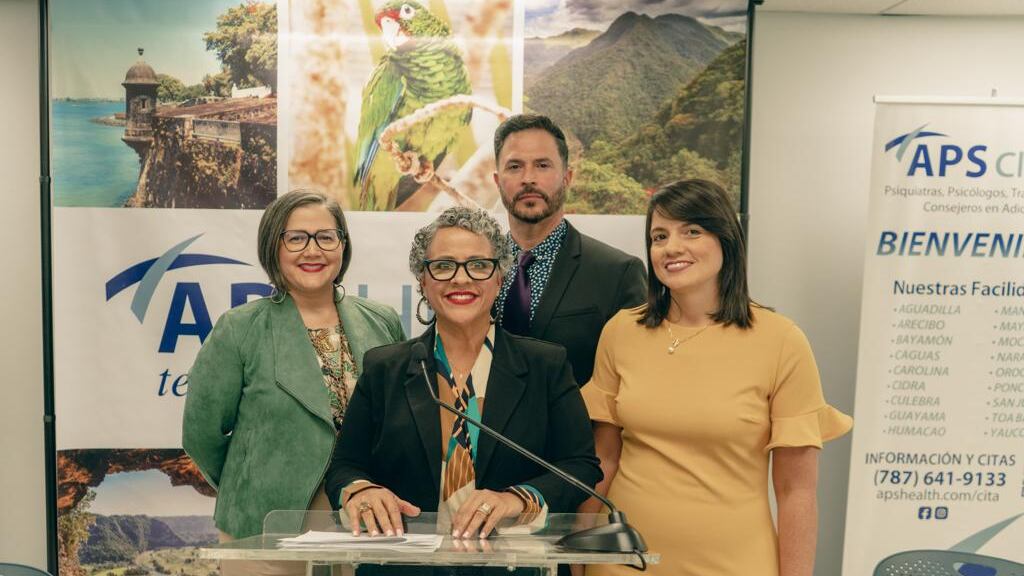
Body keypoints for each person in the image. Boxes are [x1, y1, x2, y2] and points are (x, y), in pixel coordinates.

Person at [579, 179, 853, 576]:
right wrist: (577, 559)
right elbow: (603, 459)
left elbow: (796, 492)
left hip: (734, 563)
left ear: (726, 239)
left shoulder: (781, 340)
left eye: (692, 230)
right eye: (659, 236)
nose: (672, 247)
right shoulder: (621, 331)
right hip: (626, 561)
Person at [326, 207, 601, 574]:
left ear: (500, 276)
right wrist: (361, 491)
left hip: (511, 566)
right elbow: (345, 466)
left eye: (478, 265)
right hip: (403, 567)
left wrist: (516, 499)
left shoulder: (545, 366)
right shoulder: (384, 368)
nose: (461, 279)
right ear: (422, 280)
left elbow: (580, 467)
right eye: (443, 266)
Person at [182, 189, 405, 576]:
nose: (312, 251)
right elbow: (201, 435)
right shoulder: (240, 329)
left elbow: (400, 420)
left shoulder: (381, 321)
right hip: (267, 528)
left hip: (364, 522)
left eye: (326, 237)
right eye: (296, 238)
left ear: (343, 245)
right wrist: (253, 485)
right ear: (274, 246)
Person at [491, 114, 646, 386]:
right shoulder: (476, 269)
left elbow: (635, 381)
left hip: (578, 426)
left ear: (567, 177)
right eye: (514, 166)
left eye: (542, 165)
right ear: (497, 180)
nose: (528, 178)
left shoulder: (617, 273)